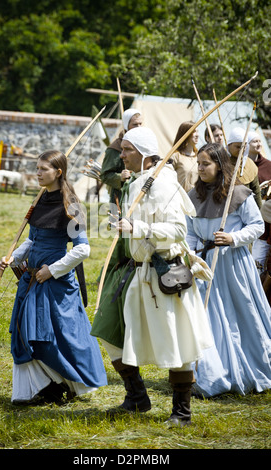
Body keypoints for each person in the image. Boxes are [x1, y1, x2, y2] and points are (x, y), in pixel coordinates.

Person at [91, 127, 214, 427]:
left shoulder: (164, 185)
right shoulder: (136, 184)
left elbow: (178, 231)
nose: (121, 155)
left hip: (165, 275)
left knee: (176, 342)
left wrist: (139, 230)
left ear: (144, 153)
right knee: (109, 332)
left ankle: (181, 412)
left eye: (127, 150)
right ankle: (137, 397)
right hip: (137, 273)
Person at [0, 149, 107, 405]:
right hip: (31, 280)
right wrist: (13, 258)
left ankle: (63, 384)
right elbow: (32, 239)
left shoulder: (72, 205)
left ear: (58, 172)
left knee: (56, 338)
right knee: (26, 333)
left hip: (55, 283)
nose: (37, 173)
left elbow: (83, 248)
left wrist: (53, 270)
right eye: (36, 168)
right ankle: (39, 388)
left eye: (43, 169)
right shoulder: (38, 201)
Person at [186, 142, 271, 398]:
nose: (200, 168)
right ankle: (211, 373)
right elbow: (190, 232)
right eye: (198, 163)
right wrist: (191, 256)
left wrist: (233, 238)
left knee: (240, 314)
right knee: (208, 317)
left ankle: (250, 366)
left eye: (206, 164)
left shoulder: (239, 194)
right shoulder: (193, 196)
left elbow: (257, 226)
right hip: (204, 265)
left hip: (233, 265)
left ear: (220, 165)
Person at [100, 108, 143, 209]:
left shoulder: (143, 145)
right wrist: (120, 177)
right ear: (126, 125)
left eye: (141, 124)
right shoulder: (115, 148)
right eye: (135, 124)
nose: (139, 127)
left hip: (140, 196)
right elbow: (105, 175)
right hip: (120, 199)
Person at [247, 131, 271, 273]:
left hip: (264, 215)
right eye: (254, 141)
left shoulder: (268, 165)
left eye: (259, 141)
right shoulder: (242, 166)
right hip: (250, 215)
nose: (258, 144)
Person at [227, 127, 262, 208]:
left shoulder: (250, 164)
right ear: (229, 145)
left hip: (246, 208)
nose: (241, 150)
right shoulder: (222, 162)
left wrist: (258, 212)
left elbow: (256, 192)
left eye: (244, 146)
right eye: (238, 147)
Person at [171, 121, 199, 192]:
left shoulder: (199, 156)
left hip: (197, 199)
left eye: (197, 131)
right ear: (185, 134)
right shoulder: (175, 156)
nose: (197, 135)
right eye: (194, 132)